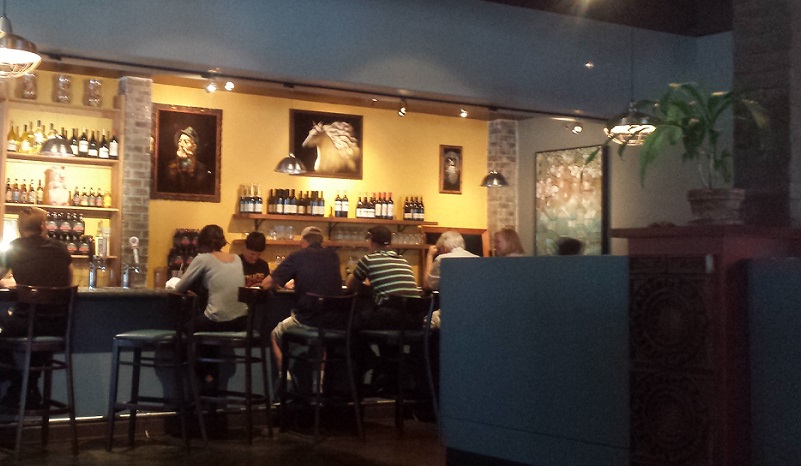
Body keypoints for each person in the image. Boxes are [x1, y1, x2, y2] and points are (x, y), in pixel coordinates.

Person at [0, 206, 73, 407]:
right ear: (43, 225)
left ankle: (15, 380)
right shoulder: (60, 247)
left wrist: (7, 283)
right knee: (35, 338)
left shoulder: (14, 247)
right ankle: (28, 388)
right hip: (58, 324)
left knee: (4, 327)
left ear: (19, 227)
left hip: (27, 324)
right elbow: (69, 280)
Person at [172, 224, 247, 390]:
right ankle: (210, 381)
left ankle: (202, 379)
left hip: (217, 320)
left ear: (202, 243)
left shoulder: (203, 258)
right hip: (241, 322)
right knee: (206, 338)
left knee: (183, 333)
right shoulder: (237, 259)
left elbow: (179, 287)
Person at [260, 226, 342, 372]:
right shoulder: (333, 256)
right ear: (321, 241)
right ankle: (319, 385)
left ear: (303, 241)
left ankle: (286, 379)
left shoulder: (298, 256)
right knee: (321, 343)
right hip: (333, 322)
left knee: (274, 335)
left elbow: (266, 284)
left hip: (307, 320)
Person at [345, 225, 419, 328]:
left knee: (353, 321)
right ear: (390, 243)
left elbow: (350, 286)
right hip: (413, 319)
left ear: (371, 241)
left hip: (389, 317)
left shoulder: (369, 260)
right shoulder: (403, 260)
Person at [423, 231, 478, 328]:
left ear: (443, 248)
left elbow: (427, 285)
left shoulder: (442, 259)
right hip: (473, 311)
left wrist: (430, 256)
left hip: (448, 311)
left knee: (427, 321)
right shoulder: (477, 259)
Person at [162, 126, 211, 194]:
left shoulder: (201, 169)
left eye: (186, 142)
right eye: (180, 141)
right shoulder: (169, 166)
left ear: (194, 147)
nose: (181, 145)